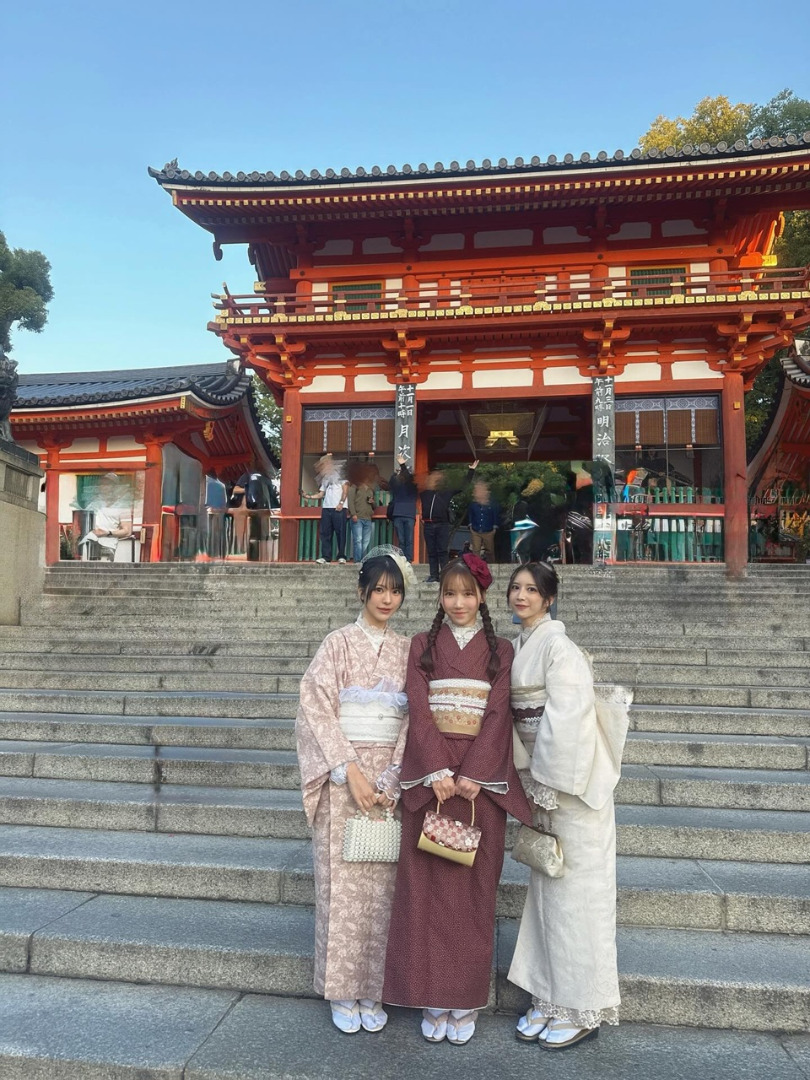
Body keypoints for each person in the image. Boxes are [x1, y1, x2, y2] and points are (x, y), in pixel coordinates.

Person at [383, 554, 532, 1045]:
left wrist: (475, 773)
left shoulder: (500, 650)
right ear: (440, 597)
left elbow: (498, 713)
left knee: (473, 895)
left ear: (482, 596)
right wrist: (437, 770)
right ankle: (431, 996)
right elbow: (418, 704)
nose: (459, 602)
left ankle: (464, 999)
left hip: (476, 789)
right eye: (450, 593)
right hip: (433, 782)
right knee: (424, 891)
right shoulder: (422, 645)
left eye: (468, 593)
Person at [506, 562, 628, 1050]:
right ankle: (549, 996)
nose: (521, 596)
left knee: (579, 897)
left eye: (531, 589)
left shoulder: (561, 649)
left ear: (549, 598)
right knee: (547, 897)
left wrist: (546, 781)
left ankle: (581, 1007)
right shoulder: (520, 646)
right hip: (541, 780)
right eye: (515, 587)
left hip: (572, 788)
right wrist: (528, 777)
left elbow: (569, 716)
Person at [295, 548, 415, 1034]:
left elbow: (415, 718)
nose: (387, 599)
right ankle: (342, 989)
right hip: (344, 778)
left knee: (385, 892)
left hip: (389, 782)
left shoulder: (408, 650)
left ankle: (374, 987)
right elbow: (315, 707)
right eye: (379, 589)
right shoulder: (337, 644)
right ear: (362, 590)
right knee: (341, 888)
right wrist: (349, 770)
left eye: (395, 591)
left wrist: (393, 777)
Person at [419, 460, 478, 583]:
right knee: (431, 552)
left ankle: (445, 575)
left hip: (442, 525)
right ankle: (434, 575)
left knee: (442, 551)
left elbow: (463, 486)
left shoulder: (446, 492)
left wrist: (471, 470)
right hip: (428, 524)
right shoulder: (425, 493)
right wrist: (403, 467)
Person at [306, 452, 349, 564]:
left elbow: (345, 491)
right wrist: (309, 497)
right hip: (326, 508)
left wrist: (341, 503)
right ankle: (326, 557)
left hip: (339, 508)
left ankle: (341, 556)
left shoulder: (342, 476)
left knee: (340, 533)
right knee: (325, 533)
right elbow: (321, 494)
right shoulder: (325, 479)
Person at [387, 455, 418, 562]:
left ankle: (408, 559)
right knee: (401, 540)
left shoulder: (412, 485)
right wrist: (394, 474)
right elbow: (390, 484)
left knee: (408, 539)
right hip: (398, 514)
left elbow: (409, 478)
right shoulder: (397, 486)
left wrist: (403, 465)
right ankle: (402, 558)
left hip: (408, 514)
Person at [347, 470, 376, 562]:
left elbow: (375, 506)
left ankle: (361, 559)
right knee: (358, 540)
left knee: (366, 541)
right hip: (358, 517)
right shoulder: (354, 487)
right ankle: (357, 560)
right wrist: (353, 514)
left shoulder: (371, 489)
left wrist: (373, 502)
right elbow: (350, 501)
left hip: (368, 517)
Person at [468, 481, 500, 561]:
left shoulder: (491, 504)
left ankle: (492, 565)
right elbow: (470, 515)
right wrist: (470, 526)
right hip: (475, 530)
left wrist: (494, 528)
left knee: (489, 550)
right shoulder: (473, 504)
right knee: (476, 550)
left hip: (488, 530)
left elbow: (495, 515)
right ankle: (477, 565)